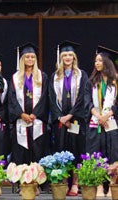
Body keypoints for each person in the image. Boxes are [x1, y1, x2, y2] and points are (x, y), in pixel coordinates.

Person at [49, 41, 88, 196]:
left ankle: (76, 184)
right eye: (64, 55)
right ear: (61, 58)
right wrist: (60, 117)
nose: (67, 57)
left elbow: (82, 98)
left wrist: (70, 115)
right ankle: (64, 182)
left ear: (74, 57)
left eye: (70, 55)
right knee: (61, 150)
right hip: (60, 122)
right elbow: (51, 99)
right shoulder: (54, 76)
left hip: (75, 120)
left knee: (77, 151)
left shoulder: (81, 75)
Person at [84, 45, 118, 197]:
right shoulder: (91, 82)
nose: (97, 63)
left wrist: (108, 114)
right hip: (95, 123)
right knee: (95, 153)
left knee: (112, 153)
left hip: (111, 123)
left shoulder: (116, 82)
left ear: (107, 62)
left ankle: (111, 186)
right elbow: (87, 102)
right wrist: (98, 116)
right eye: (95, 61)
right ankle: (98, 185)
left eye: (99, 60)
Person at [8, 43, 49, 164]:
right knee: (21, 150)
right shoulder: (15, 77)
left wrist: (35, 114)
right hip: (21, 120)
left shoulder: (42, 76)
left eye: (32, 57)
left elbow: (44, 98)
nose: (30, 59)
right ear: (22, 59)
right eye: (27, 57)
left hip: (37, 121)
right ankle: (22, 180)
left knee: (38, 150)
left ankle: (38, 180)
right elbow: (12, 99)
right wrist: (21, 114)